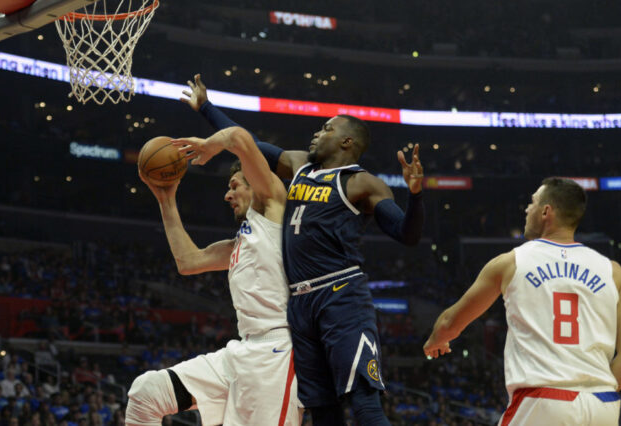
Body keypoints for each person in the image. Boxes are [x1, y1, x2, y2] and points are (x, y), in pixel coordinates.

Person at [177, 74, 425, 425]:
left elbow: (406, 233)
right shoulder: (297, 166)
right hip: (300, 305)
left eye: (326, 129)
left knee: (364, 404)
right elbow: (251, 144)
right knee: (323, 412)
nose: (317, 132)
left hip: (340, 295)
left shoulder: (361, 183)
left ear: (347, 142)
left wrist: (415, 196)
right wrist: (206, 108)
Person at [423, 177, 621, 425]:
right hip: (603, 405)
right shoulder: (614, 272)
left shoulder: (512, 262)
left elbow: (450, 322)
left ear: (546, 211)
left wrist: (436, 339)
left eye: (532, 202)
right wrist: (590, 391)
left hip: (543, 399)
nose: (527, 209)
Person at [125, 126, 300, 426]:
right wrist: (166, 199)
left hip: (275, 355)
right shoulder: (239, 243)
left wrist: (208, 145)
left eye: (234, 185)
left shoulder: (273, 208)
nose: (227, 194)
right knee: (146, 393)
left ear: (256, 184)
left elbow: (240, 138)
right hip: (241, 351)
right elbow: (188, 261)